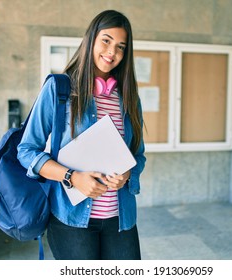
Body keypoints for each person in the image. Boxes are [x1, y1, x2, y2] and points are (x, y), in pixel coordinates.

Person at [17, 10, 146, 260]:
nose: (112, 53)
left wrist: (129, 173)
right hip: (71, 221)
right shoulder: (59, 89)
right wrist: (72, 177)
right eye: (106, 41)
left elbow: (138, 156)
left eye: (120, 47)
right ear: (91, 40)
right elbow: (26, 151)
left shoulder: (129, 98)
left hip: (121, 222)